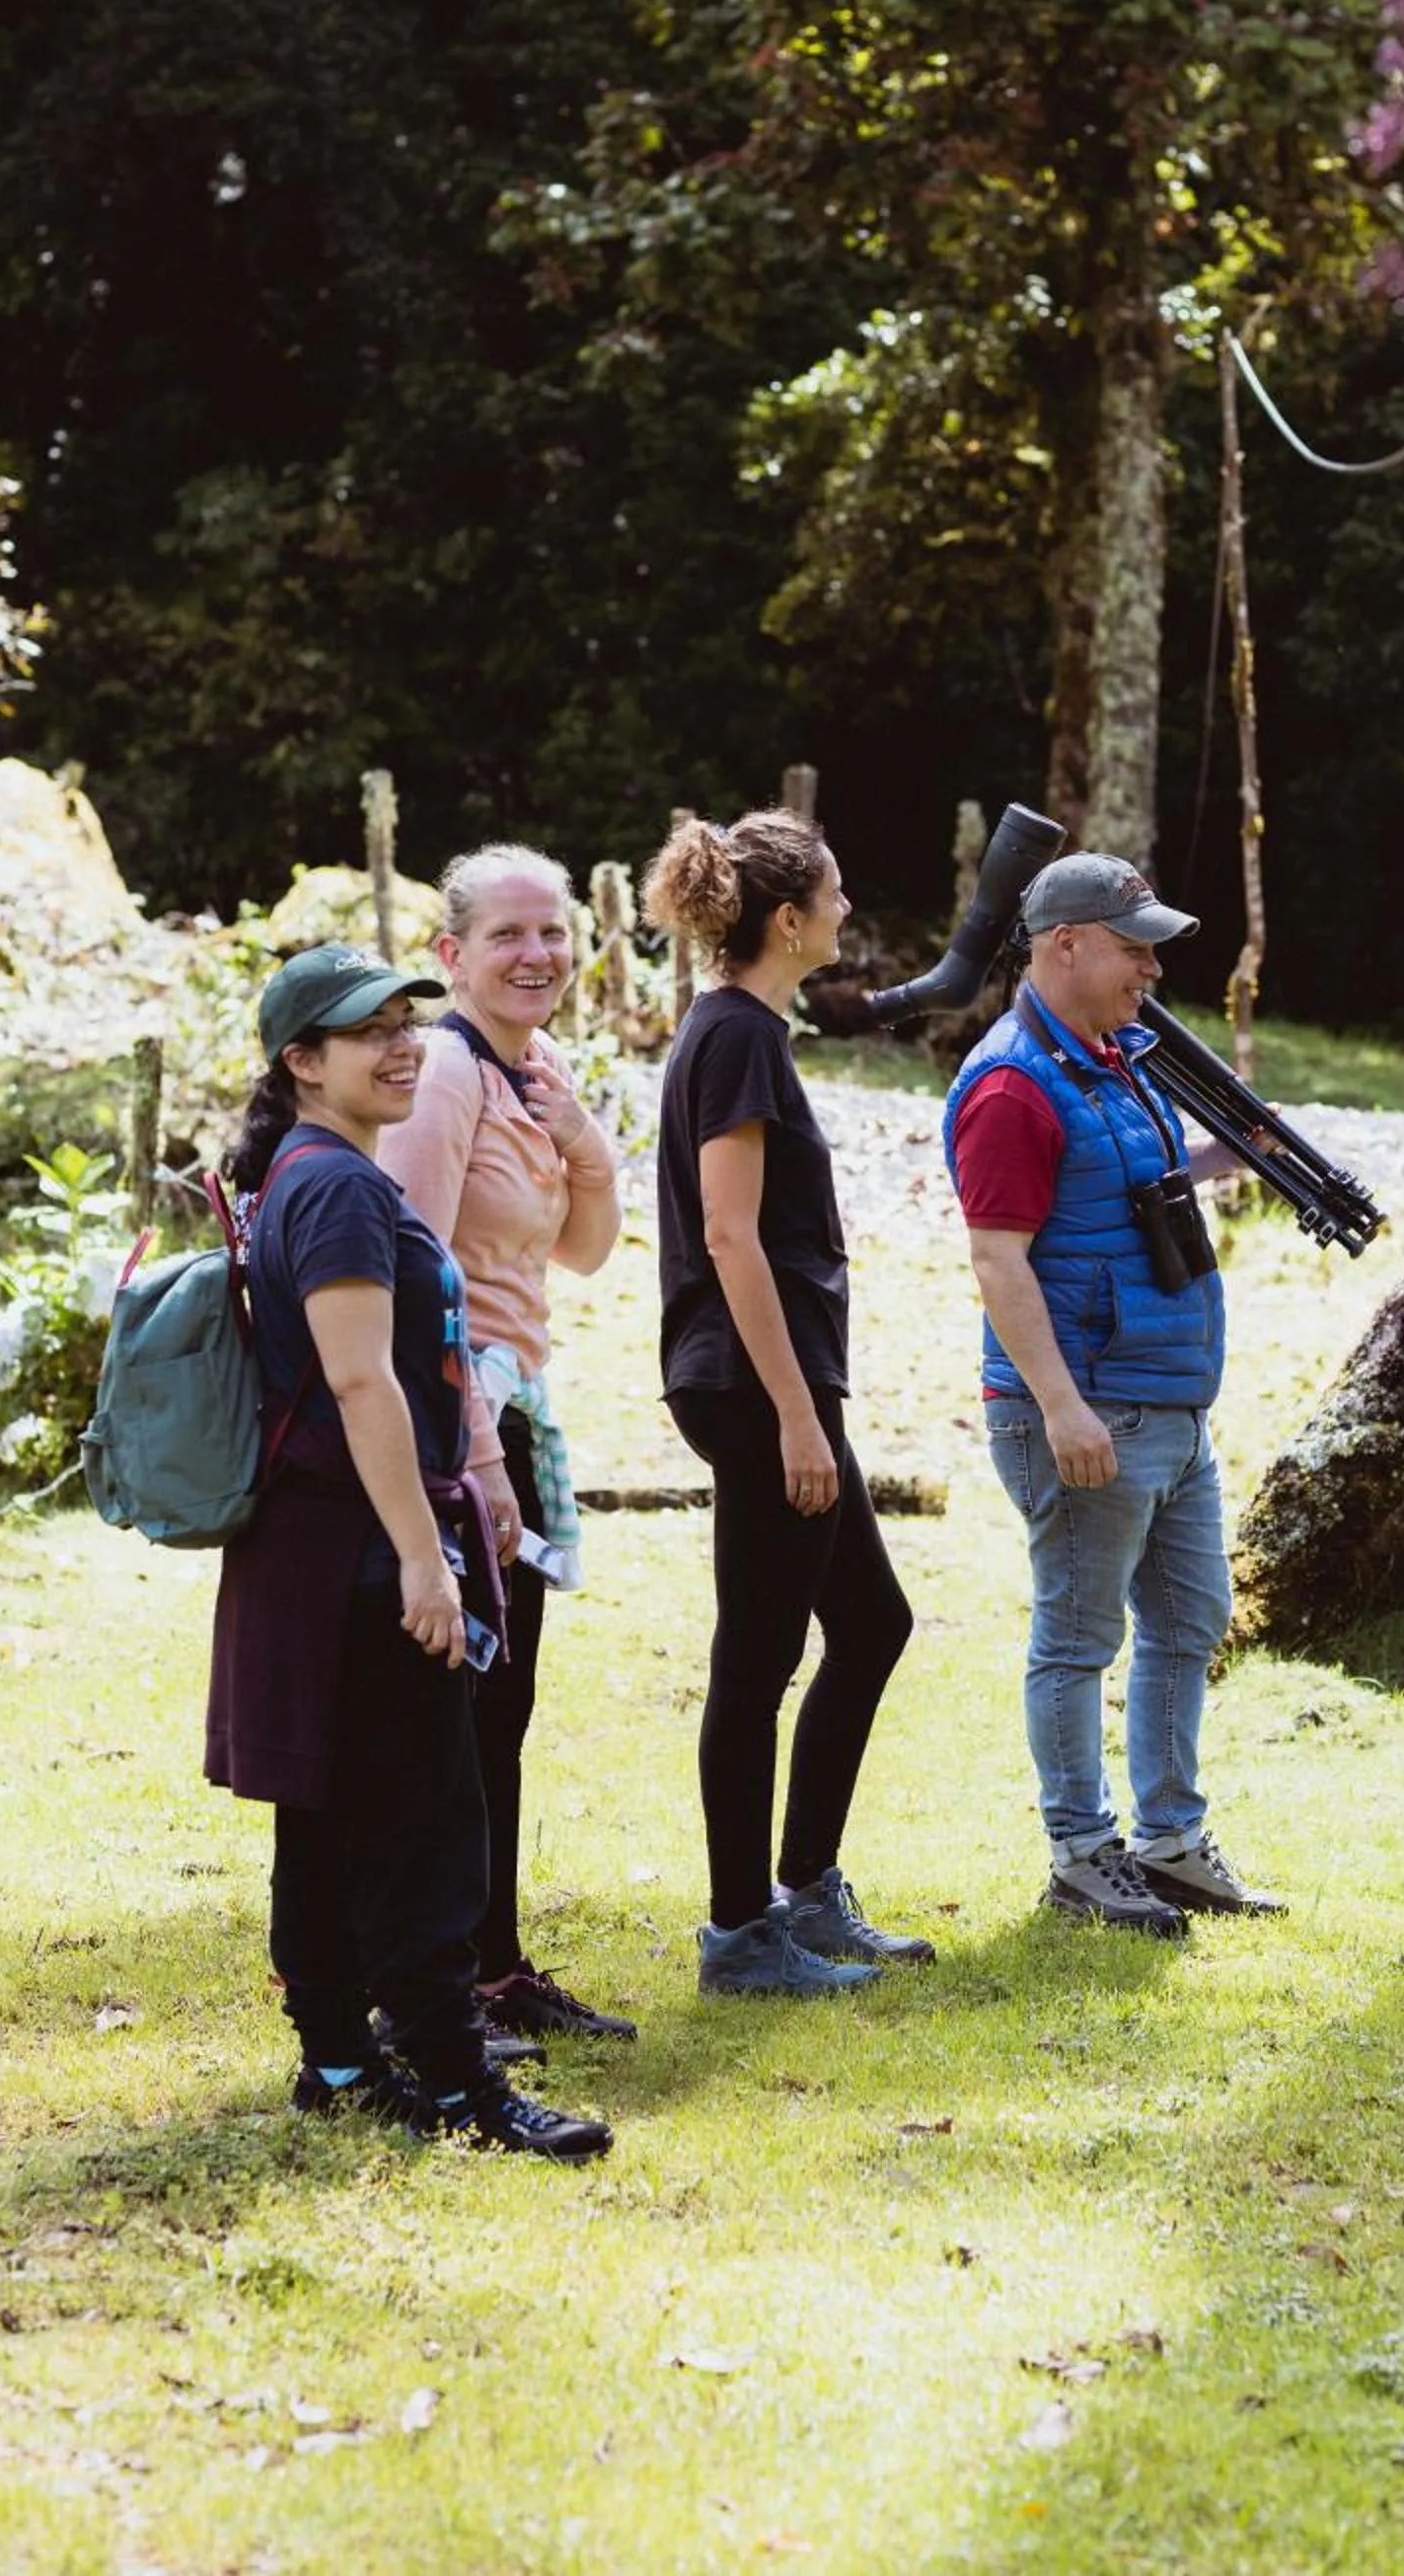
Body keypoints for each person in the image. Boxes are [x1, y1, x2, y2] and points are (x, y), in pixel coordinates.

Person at [203, 941, 612, 2159]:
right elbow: (360, 1380)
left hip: (325, 1543)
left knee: (330, 1808)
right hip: (359, 1548)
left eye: (407, 1024)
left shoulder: (316, 1170)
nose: (401, 1047)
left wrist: (474, 1474)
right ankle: (457, 2086)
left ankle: (337, 2061)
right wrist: (424, 1560)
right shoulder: (334, 1186)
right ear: (301, 1061)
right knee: (424, 1816)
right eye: (367, 1031)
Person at [943, 854, 1286, 1930]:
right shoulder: (1011, 1086)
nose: (1151, 968)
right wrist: (1060, 1407)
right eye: (1134, 947)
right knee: (1079, 1639)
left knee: (1189, 1621)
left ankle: (1170, 1843)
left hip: (1167, 1403)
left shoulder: (1112, 1059)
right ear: (1065, 945)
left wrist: (1220, 1157)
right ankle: (1082, 1856)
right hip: (1088, 1408)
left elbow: (1125, 1189)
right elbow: (998, 1259)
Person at [642, 810, 931, 1998]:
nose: (847, 909)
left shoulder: (741, 1029)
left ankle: (803, 1886)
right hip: (757, 1384)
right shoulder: (737, 1039)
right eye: (835, 892)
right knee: (756, 1660)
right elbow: (730, 1235)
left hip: (772, 1382)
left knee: (871, 1624)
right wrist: (797, 1416)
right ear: (787, 918)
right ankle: (739, 1934)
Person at [378, 844, 635, 2046]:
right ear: (452, 954)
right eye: (507, 936)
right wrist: (476, 1454)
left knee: (504, 1702)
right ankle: (434, 1983)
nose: (537, 955)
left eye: (553, 933)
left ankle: (491, 1966)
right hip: (454, 1419)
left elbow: (584, 1249)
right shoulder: (443, 1073)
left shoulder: (533, 1069)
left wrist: (582, 1137)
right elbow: (414, 1274)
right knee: (458, 1710)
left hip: (513, 1408)